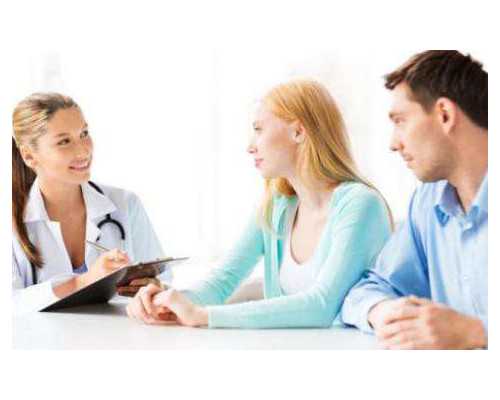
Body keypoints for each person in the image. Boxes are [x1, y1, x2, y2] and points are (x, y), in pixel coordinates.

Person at [127, 79, 393, 329]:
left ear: (298, 131)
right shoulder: (278, 206)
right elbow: (222, 282)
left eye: (258, 130)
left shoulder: (360, 204)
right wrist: (162, 300)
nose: (250, 146)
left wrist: (203, 316)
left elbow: (322, 306)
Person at [341, 50, 488, 349]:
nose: (393, 143)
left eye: (401, 121)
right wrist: (385, 313)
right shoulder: (428, 202)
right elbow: (371, 289)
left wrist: (477, 332)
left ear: (445, 114)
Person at [12, 92, 171, 312]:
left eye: (84, 133)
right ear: (29, 156)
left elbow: (164, 281)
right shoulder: (11, 220)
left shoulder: (126, 204)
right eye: (64, 141)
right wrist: (82, 282)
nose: (83, 150)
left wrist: (153, 288)